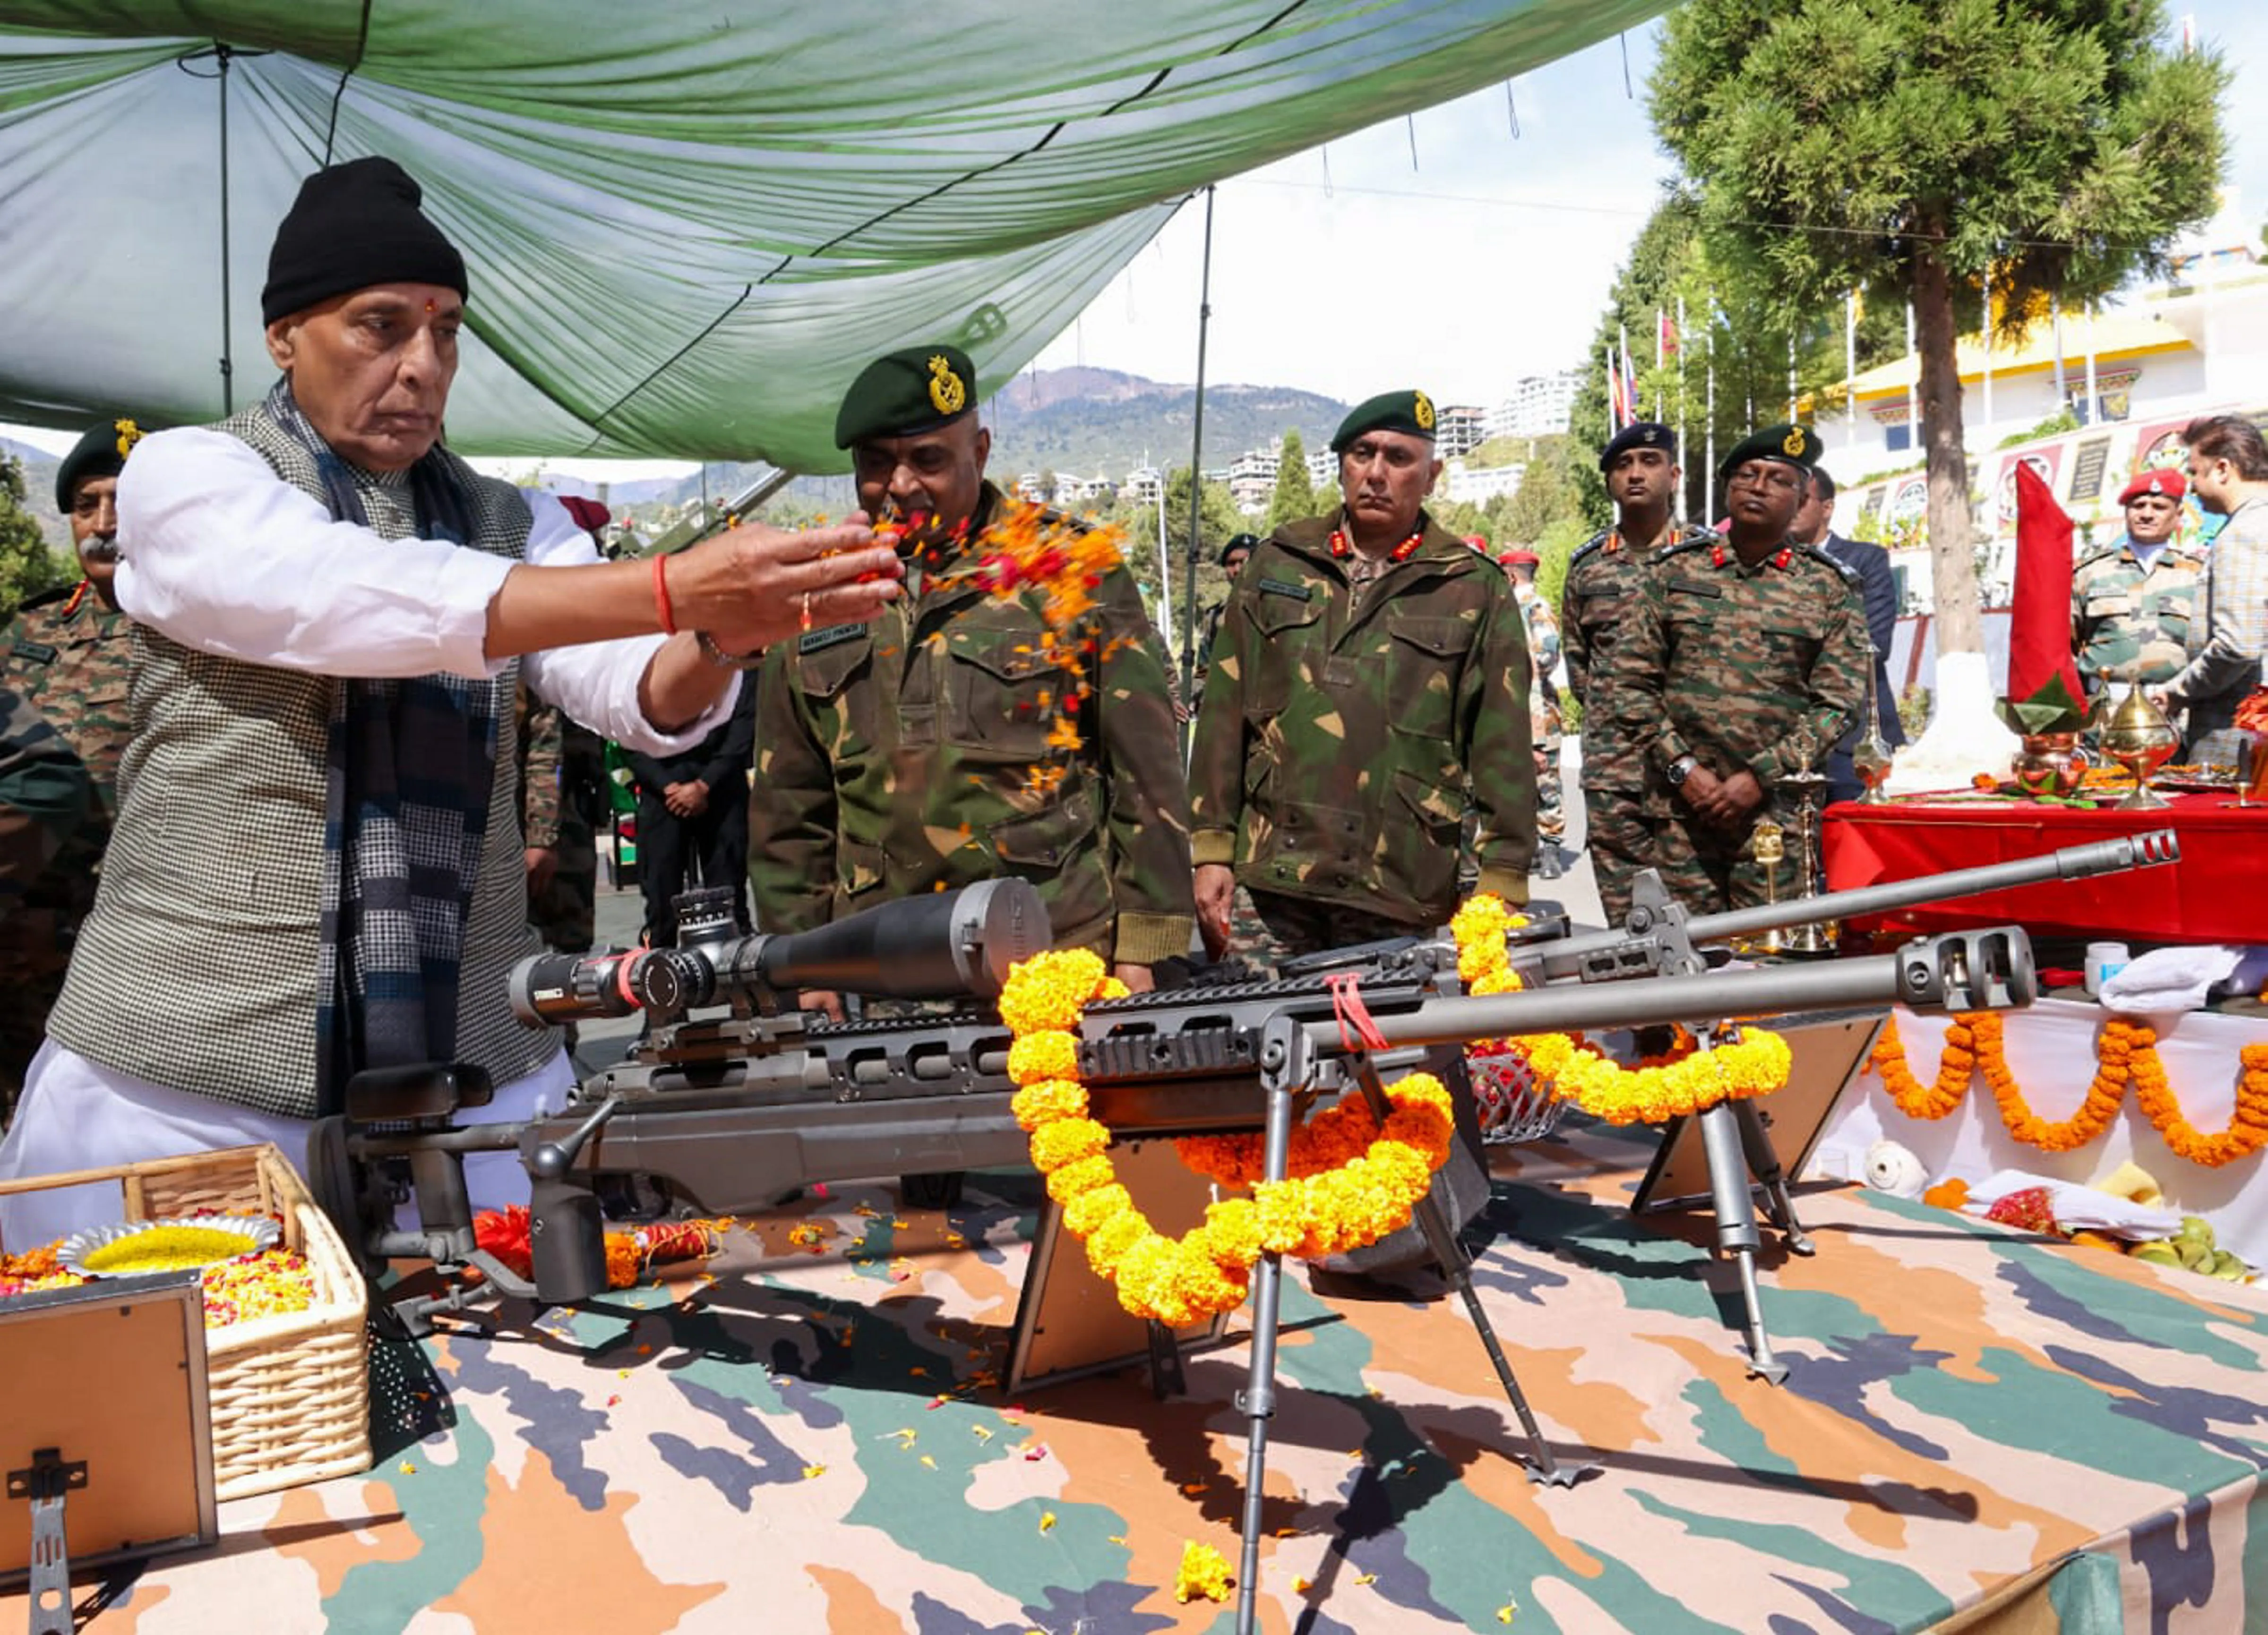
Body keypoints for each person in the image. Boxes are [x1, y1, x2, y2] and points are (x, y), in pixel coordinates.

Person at [0, 156, 902, 1243]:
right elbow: (346, 597)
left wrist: (714, 638)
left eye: (445, 329)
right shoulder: (192, 476)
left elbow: (630, 684)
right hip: (181, 1097)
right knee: (183, 1400)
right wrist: (672, 584)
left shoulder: (510, 521)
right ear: (285, 335)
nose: (423, 365)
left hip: (472, 1083)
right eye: (381, 325)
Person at [748, 344, 1194, 1004]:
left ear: (980, 451)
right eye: (876, 463)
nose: (900, 485)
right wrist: (801, 958)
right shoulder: (820, 589)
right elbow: (789, 800)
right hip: (878, 967)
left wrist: (1147, 947)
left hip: (1055, 955)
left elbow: (1147, 771)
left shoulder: (1071, 568)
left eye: (928, 459)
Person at [1188, 389, 1534, 968]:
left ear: (1432, 475)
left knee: (1389, 1052)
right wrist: (1212, 850)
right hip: (1269, 879)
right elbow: (1223, 712)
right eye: (1361, 453)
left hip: (1400, 884)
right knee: (1255, 1042)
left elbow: (1504, 748)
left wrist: (1502, 880)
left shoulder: (1474, 587)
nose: (1376, 473)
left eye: (1398, 458)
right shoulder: (1277, 562)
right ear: (1342, 465)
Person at [1602, 425, 1869, 916]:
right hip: (1683, 811)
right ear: (1728, 488)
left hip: (1774, 815)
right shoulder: (1674, 573)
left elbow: (1839, 705)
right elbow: (1631, 684)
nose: (1760, 486)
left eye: (1779, 479)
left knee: (1769, 962)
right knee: (1686, 963)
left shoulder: (1828, 587)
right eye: (1748, 474)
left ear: (1802, 498)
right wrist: (1683, 769)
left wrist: (1761, 775)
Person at [0, 419, 145, 1102]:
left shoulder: (201, 636)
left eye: (123, 501)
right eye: (87, 505)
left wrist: (62, 932)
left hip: (111, 956)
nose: (104, 523)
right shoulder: (31, 628)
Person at [1561, 421, 1714, 925]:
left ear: (1674, 475)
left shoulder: (1711, 559)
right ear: (1608, 481)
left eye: (1649, 462)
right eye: (1622, 465)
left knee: (1705, 926)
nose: (1634, 474)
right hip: (1616, 775)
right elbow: (1582, 670)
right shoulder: (1588, 568)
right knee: (1631, 928)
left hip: (1697, 775)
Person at [1790, 467, 1906, 804]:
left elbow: (1875, 642)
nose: (1794, 506)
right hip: (1786, 732)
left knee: (1848, 835)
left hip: (1851, 733)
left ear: (1827, 507)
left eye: (1804, 499)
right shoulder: (1772, 566)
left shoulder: (1865, 560)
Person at [2157, 416, 2268, 749]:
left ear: (2222, 468)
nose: (2190, 486)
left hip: (2241, 737)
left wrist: (2174, 692)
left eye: (2193, 471)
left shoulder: (2243, 533)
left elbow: (2238, 645)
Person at [627, 665, 757, 946]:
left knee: (729, 899)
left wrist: (703, 786)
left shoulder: (738, 661)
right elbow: (628, 731)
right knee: (662, 902)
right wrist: (666, 786)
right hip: (662, 792)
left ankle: (733, 974)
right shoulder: (645, 660)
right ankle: (661, 974)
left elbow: (744, 727)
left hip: (721, 789)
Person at [2072, 468, 2205, 712]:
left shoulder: (2197, 574)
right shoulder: (2090, 573)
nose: (2147, 514)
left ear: (2178, 515)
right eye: (2139, 505)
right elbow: (2063, 646)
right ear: (2126, 513)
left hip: (2173, 709)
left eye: (2159, 507)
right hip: (2105, 711)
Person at [1495, 546, 1569, 878]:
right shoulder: (1504, 608)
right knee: (1518, 780)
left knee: (1546, 780)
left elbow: (1547, 657)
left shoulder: (1536, 608)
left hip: (1540, 708)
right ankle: (1528, 849)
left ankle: (1551, 848)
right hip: (1513, 706)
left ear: (1511, 575)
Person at [1191, 531, 1259, 711]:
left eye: (1245, 561)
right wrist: (1195, 695)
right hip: (1228, 710)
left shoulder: (1279, 610)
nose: (1237, 569)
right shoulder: (1214, 617)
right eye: (1231, 563)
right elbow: (1204, 671)